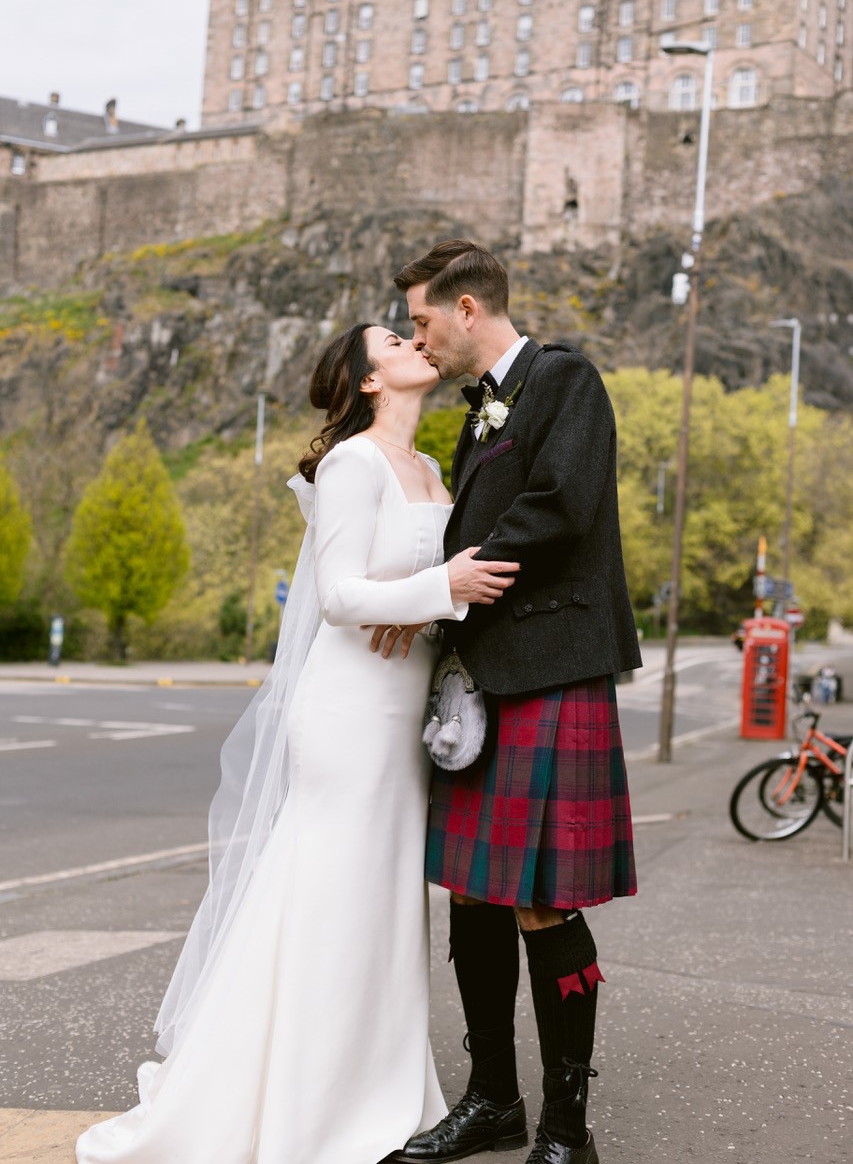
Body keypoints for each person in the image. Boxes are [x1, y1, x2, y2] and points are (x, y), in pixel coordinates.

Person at [75, 323, 519, 1164]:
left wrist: (429, 603)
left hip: (400, 714)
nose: (415, 338)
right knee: (330, 894)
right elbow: (340, 593)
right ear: (369, 379)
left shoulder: (428, 468)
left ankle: (373, 1086)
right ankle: (297, 1098)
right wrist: (445, 584)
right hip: (349, 711)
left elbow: (400, 590)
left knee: (384, 901)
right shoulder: (352, 462)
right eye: (396, 336)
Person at [379, 241, 641, 1164]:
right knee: (475, 895)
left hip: (549, 666)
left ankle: (568, 1130)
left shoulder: (562, 382)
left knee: (540, 901)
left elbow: (560, 505)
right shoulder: (481, 412)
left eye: (419, 319)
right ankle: (493, 1099)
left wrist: (447, 585)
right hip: (486, 678)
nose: (419, 337)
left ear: (463, 309)